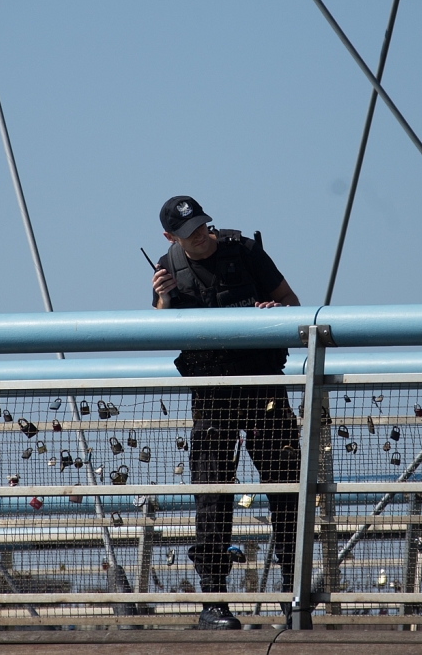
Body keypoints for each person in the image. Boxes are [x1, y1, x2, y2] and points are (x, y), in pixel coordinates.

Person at [151, 195, 301, 630]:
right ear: (170, 237)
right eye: (189, 232)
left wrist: (276, 312)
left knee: (286, 489)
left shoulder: (246, 251)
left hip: (263, 385)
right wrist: (162, 299)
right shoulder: (167, 269)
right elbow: (159, 331)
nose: (200, 235)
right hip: (211, 394)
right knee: (212, 495)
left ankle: (294, 597)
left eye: (202, 225)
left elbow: (292, 302)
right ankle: (213, 603)